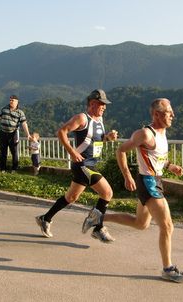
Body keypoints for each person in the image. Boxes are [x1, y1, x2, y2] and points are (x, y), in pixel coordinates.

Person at [82, 98, 183, 283]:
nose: (173, 115)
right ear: (156, 114)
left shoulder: (162, 133)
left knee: (141, 224)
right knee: (167, 226)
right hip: (148, 183)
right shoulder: (145, 134)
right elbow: (121, 151)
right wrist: (127, 175)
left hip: (154, 180)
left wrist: (170, 165)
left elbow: (157, 156)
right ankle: (168, 269)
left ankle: (98, 217)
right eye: (168, 112)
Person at [35, 89, 118, 241]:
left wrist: (108, 138)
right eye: (102, 104)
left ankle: (45, 218)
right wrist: (72, 152)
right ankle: (98, 228)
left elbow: (94, 141)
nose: (104, 107)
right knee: (107, 193)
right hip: (82, 165)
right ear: (92, 103)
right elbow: (61, 132)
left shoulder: (99, 121)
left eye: (105, 105)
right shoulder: (82, 118)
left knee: (71, 197)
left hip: (91, 164)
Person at [0, 95, 31, 173]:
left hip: (13, 134)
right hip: (3, 133)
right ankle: (2, 169)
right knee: (3, 152)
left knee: (14, 152)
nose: (11, 101)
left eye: (12, 100)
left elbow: (24, 123)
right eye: (10, 100)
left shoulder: (20, 112)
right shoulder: (4, 109)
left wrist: (28, 134)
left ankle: (14, 169)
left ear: (17, 102)